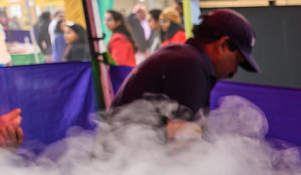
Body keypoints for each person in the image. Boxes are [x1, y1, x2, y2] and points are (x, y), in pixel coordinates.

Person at [109, 8, 258, 128]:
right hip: (124, 161)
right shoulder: (189, 65)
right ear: (223, 45)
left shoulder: (184, 57)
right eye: (237, 61)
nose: (233, 72)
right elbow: (184, 147)